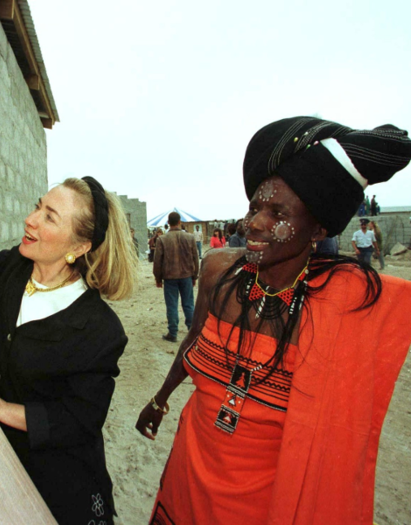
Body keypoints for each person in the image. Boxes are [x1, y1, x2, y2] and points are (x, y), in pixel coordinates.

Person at [135, 116, 411, 524]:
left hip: (266, 497)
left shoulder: (339, 304)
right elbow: (193, 341)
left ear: (318, 228)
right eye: (254, 207)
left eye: (277, 212)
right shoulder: (219, 272)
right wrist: (161, 399)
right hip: (191, 465)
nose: (255, 223)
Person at [0, 168, 138, 524]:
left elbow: (80, 420)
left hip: (54, 484)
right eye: (38, 206)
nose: (29, 220)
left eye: (49, 217)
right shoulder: (13, 268)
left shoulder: (100, 329)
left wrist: (2, 409)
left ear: (78, 247)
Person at [153, 212, 200, 343]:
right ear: (180, 221)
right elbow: (195, 258)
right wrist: (195, 275)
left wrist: (158, 278)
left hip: (169, 277)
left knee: (172, 305)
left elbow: (157, 261)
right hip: (186, 276)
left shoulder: (162, 239)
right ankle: (192, 331)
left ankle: (173, 333)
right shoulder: (190, 237)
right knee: (189, 304)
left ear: (168, 223)